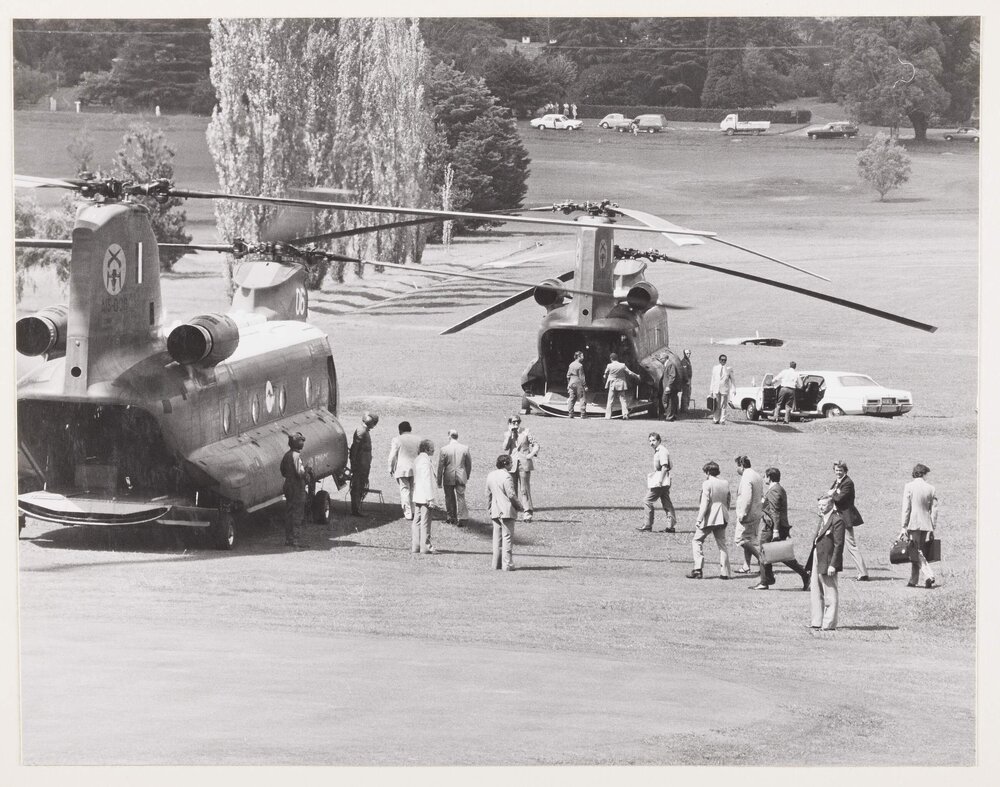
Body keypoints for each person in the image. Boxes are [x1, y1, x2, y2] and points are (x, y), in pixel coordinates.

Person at [755, 467, 810, 590]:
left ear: (769, 477)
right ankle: (768, 578)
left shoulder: (775, 490)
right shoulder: (777, 489)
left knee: (767, 552)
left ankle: (765, 581)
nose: (764, 479)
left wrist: (775, 531)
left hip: (772, 528)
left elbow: (775, 512)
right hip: (775, 526)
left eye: (765, 476)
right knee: (779, 554)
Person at [687, 461, 732, 579]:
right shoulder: (725, 483)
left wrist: (699, 519)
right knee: (722, 545)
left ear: (707, 472)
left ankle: (698, 569)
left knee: (697, 541)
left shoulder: (707, 483)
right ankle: (725, 572)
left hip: (710, 517)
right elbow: (728, 501)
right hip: (722, 516)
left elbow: (704, 503)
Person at [807, 495, 845, 631]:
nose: (820, 508)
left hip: (828, 561)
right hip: (817, 557)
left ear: (831, 505)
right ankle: (816, 621)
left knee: (830, 593)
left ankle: (829, 624)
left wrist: (833, 564)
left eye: (823, 505)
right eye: (819, 505)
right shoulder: (822, 518)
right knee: (816, 591)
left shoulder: (837, 520)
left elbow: (839, 544)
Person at [899, 463, 939, 588]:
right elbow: (935, 510)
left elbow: (906, 508)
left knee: (915, 552)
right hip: (926, 524)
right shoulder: (931, 488)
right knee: (916, 551)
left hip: (913, 523)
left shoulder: (909, 486)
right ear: (923, 473)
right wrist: (932, 527)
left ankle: (929, 575)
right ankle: (913, 580)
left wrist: (903, 526)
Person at [829, 460, 869, 581]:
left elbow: (839, 498)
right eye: (836, 470)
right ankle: (832, 567)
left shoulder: (848, 482)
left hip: (845, 518)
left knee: (851, 545)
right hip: (836, 517)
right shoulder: (838, 481)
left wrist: (832, 493)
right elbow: (833, 495)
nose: (838, 473)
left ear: (845, 471)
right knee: (830, 542)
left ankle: (863, 573)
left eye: (840, 470)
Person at [487, 454, 523, 571]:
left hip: (495, 510)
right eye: (511, 463)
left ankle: (495, 564)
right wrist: (519, 506)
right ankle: (507, 564)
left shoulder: (491, 475)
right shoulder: (507, 477)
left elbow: (488, 494)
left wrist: (490, 509)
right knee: (507, 537)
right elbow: (511, 494)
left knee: (496, 539)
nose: (512, 464)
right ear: (506, 464)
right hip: (506, 511)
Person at [502, 415, 540, 521]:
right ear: (509, 423)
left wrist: (531, 454)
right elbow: (505, 447)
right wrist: (510, 434)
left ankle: (527, 512)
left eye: (518, 422)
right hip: (512, 465)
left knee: (524, 489)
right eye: (514, 422)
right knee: (512, 490)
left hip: (524, 463)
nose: (516, 424)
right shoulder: (507, 434)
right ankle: (513, 512)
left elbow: (536, 444)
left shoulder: (526, 432)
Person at [638, 432, 676, 532]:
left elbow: (665, 466)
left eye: (654, 440)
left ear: (659, 440)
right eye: (650, 441)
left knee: (647, 501)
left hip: (661, 481)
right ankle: (670, 526)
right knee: (667, 503)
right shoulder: (658, 450)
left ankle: (647, 525)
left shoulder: (662, 451)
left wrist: (659, 480)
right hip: (664, 480)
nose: (651, 443)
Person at [280, 432, 310, 548]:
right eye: (301, 441)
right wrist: (307, 471)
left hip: (288, 485)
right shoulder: (296, 456)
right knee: (297, 514)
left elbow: (282, 470)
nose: (302, 443)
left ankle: (289, 539)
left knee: (289, 512)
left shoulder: (287, 455)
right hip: (297, 487)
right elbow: (300, 472)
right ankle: (295, 540)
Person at [734, 455, 764, 575]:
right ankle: (746, 566)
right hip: (757, 512)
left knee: (740, 539)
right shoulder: (757, 475)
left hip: (748, 513)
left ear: (741, 465)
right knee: (749, 539)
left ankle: (762, 559)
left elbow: (747, 497)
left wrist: (743, 513)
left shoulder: (746, 477)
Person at [436, 429, 473, 527]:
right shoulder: (465, 448)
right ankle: (462, 517)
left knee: (449, 497)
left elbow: (440, 466)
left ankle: (451, 517)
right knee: (461, 496)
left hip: (448, 475)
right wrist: (467, 475)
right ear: (457, 436)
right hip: (461, 475)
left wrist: (439, 480)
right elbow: (469, 464)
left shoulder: (444, 449)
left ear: (449, 436)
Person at [387, 421, 421, 521]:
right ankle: (414, 511)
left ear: (400, 430)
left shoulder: (397, 439)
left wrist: (390, 467)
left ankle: (408, 513)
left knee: (404, 489)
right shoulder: (418, 439)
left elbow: (392, 455)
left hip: (402, 468)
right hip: (415, 468)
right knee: (413, 489)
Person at [349, 412, 378, 516]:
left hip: (363, 464)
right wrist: (354, 464)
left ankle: (357, 508)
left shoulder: (364, 430)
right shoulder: (362, 431)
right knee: (357, 486)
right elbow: (355, 449)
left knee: (360, 485)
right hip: (360, 464)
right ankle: (355, 509)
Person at [411, 439, 438, 554]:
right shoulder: (425, 461)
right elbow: (427, 480)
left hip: (418, 495)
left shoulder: (418, 459)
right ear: (427, 449)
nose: (434, 450)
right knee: (425, 522)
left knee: (417, 521)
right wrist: (430, 498)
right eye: (432, 448)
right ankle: (425, 546)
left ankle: (416, 546)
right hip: (425, 496)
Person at [604, 352, 640, 419]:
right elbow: (630, 372)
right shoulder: (622, 365)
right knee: (623, 400)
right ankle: (625, 414)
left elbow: (605, 374)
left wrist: (606, 376)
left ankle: (608, 416)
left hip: (612, 384)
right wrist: (637, 376)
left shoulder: (609, 365)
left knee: (610, 400)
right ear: (617, 358)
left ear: (611, 359)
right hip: (621, 384)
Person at [708, 354, 735, 425]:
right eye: (722, 360)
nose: (723, 361)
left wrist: (733, 389)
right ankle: (716, 419)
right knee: (716, 405)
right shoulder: (715, 368)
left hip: (724, 390)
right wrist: (711, 390)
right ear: (719, 360)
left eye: (725, 360)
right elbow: (712, 380)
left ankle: (722, 419)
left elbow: (733, 380)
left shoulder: (729, 369)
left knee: (723, 405)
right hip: (716, 389)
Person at [566, 350, 587, 418]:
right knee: (582, 398)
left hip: (571, 382)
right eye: (582, 356)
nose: (583, 357)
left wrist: (568, 384)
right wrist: (585, 385)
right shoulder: (580, 365)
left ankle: (570, 413)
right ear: (578, 357)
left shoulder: (571, 364)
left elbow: (568, 376)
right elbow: (582, 377)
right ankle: (583, 414)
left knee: (571, 398)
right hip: (578, 382)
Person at [661, 354, 681, 421]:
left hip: (670, 387)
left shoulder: (670, 365)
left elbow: (672, 376)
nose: (660, 360)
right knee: (669, 401)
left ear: (665, 358)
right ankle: (671, 415)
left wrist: (668, 386)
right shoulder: (668, 364)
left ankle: (669, 417)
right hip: (669, 386)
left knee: (667, 401)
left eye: (661, 359)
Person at [680, 349, 693, 414]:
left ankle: (686, 408)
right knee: (685, 394)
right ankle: (684, 409)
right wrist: (687, 380)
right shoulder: (684, 361)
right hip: (686, 381)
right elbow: (684, 372)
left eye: (689, 353)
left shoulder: (687, 361)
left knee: (688, 394)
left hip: (689, 379)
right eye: (687, 353)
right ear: (684, 354)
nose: (688, 355)